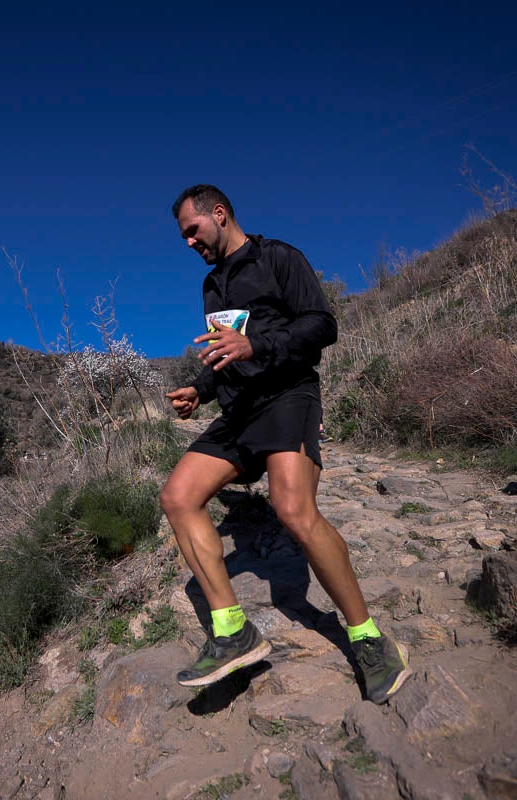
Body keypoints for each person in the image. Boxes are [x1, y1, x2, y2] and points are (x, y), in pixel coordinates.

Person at [162, 184, 409, 703]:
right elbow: (223, 356)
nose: (188, 241)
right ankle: (233, 631)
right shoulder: (211, 285)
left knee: (293, 510)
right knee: (178, 497)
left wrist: (258, 343)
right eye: (182, 235)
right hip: (239, 410)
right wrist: (201, 391)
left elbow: (323, 325)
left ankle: (369, 639)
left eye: (192, 230)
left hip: (287, 395)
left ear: (220, 214)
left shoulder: (278, 258)